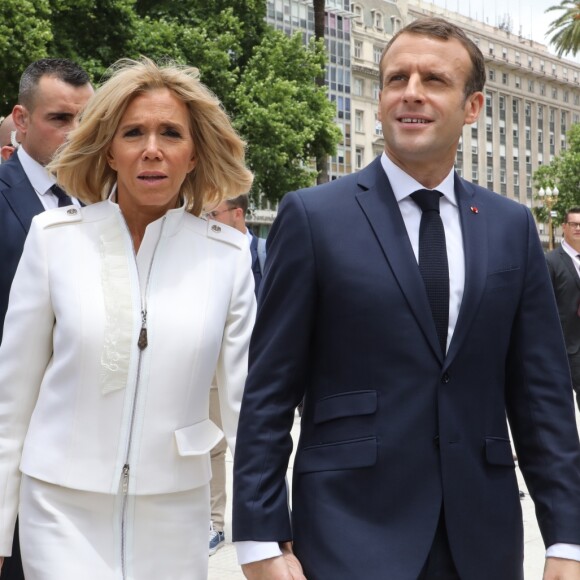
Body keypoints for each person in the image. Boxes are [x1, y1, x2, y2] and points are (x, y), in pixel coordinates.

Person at [232, 17, 580, 580]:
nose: (410, 92)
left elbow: (542, 396)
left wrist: (567, 537)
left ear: (472, 107)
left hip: (481, 539)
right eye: (396, 78)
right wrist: (259, 538)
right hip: (348, 532)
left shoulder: (510, 225)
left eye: (434, 80)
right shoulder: (313, 217)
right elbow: (269, 390)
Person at [0, 57, 255, 579]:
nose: (152, 149)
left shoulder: (228, 257)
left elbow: (245, 410)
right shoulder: (54, 240)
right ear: (110, 151)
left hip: (175, 513)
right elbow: (12, 402)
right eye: (133, 132)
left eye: (171, 133)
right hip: (58, 510)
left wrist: (261, 535)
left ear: (194, 154)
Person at [0, 58, 93, 580]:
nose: (77, 133)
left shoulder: (107, 206)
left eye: (87, 118)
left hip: (83, 457)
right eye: (60, 118)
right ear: (21, 119)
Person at [204, 194, 266, 555]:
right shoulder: (208, 253)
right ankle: (214, 523)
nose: (208, 219)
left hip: (257, 365)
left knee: (252, 443)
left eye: (214, 213)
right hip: (213, 365)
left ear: (237, 213)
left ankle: (258, 521)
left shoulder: (262, 253)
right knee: (212, 445)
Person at [546, 207, 580, 413]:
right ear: (564, 227)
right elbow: (544, 305)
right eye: (574, 224)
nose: (578, 228)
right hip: (566, 347)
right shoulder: (551, 261)